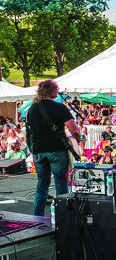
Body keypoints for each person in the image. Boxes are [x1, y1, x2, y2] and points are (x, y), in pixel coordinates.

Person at [26, 80, 81, 217]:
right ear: (54, 91)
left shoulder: (31, 109)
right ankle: (62, 217)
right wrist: (77, 142)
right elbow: (74, 130)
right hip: (56, 150)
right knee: (60, 182)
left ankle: (37, 217)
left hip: (38, 151)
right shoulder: (60, 107)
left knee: (42, 183)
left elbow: (29, 130)